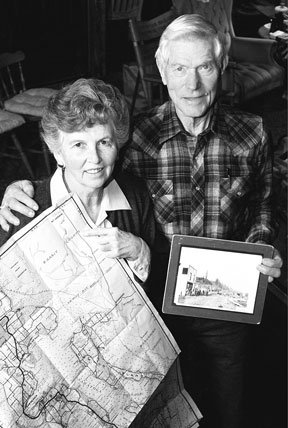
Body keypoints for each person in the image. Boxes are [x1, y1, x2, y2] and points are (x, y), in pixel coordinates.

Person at [0, 14, 283, 428]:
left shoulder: (254, 131)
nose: (193, 84)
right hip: (152, 306)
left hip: (224, 302)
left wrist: (261, 249)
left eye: (204, 67)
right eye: (180, 69)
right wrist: (20, 188)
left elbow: (264, 202)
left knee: (226, 409)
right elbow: (83, 170)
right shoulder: (138, 138)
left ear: (221, 68)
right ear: (162, 72)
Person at [0, 78, 156, 284]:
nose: (95, 158)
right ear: (58, 153)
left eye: (104, 142)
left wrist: (140, 251)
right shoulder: (22, 210)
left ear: (118, 145)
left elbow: (153, 291)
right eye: (79, 145)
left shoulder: (136, 196)